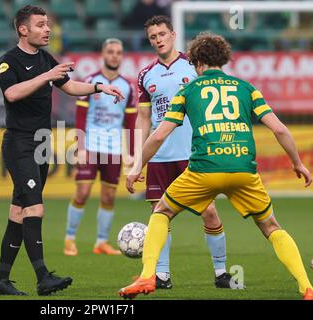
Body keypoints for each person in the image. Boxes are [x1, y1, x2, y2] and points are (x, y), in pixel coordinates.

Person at [120, 32, 313, 300]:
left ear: (197, 61)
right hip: (243, 170)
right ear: (223, 58)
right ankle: (306, 287)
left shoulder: (187, 91)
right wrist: (297, 163)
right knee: (271, 226)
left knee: (162, 211)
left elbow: (160, 134)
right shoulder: (247, 88)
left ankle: (148, 276)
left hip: (205, 170)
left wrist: (137, 165)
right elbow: (280, 130)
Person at [0, 5, 125, 297]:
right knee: (35, 208)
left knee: (18, 212)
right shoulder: (8, 61)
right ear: (23, 29)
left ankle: (1, 281)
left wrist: (100, 88)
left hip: (41, 143)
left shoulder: (45, 59)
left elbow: (69, 86)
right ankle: (42, 278)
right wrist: (46, 75)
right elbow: (11, 94)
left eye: (48, 24)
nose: (48, 29)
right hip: (19, 143)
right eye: (41, 25)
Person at [135, 15, 235, 289]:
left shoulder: (193, 67)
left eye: (162, 34)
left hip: (193, 153)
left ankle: (221, 272)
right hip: (159, 156)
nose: (158, 40)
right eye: (153, 37)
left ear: (173, 34)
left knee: (210, 211)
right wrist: (138, 157)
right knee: (159, 214)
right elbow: (143, 119)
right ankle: (163, 275)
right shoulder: (145, 74)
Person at [64, 38, 136, 256]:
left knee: (108, 197)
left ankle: (101, 242)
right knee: (83, 192)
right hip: (91, 145)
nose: (115, 55)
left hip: (114, 149)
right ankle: (70, 238)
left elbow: (131, 122)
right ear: (103, 55)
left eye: (118, 52)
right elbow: (81, 115)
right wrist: (81, 146)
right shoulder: (91, 81)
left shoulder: (128, 87)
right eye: (111, 51)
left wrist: (131, 152)